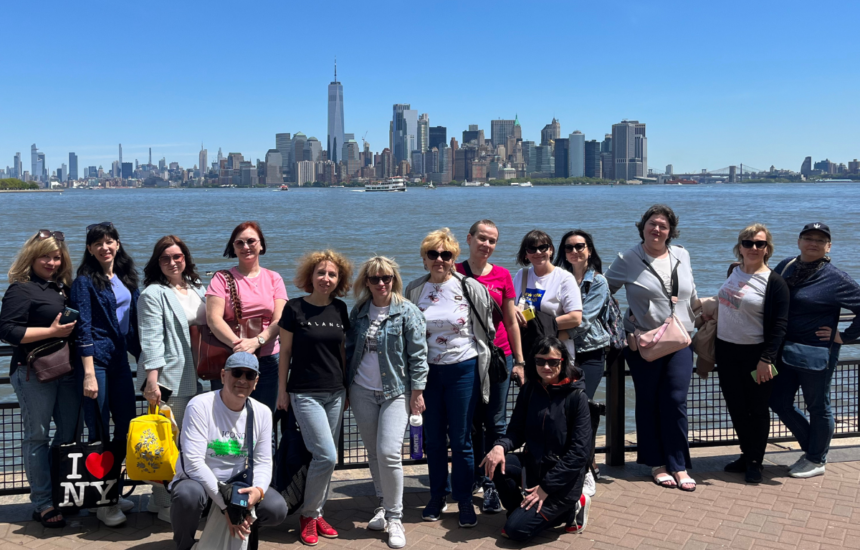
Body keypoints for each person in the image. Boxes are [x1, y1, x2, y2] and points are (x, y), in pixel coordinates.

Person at [404, 228, 495, 528]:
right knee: (432, 439)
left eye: (446, 254)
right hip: (427, 374)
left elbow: (486, 328)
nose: (439, 260)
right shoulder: (414, 290)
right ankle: (437, 496)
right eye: (433, 254)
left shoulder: (470, 287)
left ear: (455, 257)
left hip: (463, 369)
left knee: (461, 440)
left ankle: (465, 500)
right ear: (424, 258)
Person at [604, 205, 698, 491]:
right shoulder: (628, 258)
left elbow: (691, 294)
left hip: (680, 339)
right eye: (652, 224)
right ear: (642, 227)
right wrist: (622, 318)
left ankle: (679, 464)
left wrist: (706, 311)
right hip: (644, 342)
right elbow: (604, 290)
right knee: (648, 402)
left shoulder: (682, 254)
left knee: (675, 400)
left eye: (663, 226)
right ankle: (656, 463)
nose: (657, 230)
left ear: (670, 231)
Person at [345, 256, 428, 549]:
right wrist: (345, 389)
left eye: (387, 278)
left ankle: (395, 517)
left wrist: (418, 392)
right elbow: (349, 351)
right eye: (375, 278)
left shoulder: (408, 311)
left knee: (389, 452)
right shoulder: (359, 311)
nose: (382, 283)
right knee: (373, 452)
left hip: (396, 391)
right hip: (361, 390)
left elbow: (419, 356)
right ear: (366, 282)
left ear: (394, 279)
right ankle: (382, 504)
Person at [0, 230, 79, 529]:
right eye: (45, 256)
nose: (51, 262)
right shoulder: (20, 290)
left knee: (69, 435)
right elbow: (7, 331)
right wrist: (51, 332)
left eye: (57, 257)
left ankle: (62, 495)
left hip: (67, 371)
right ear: (31, 258)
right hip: (33, 372)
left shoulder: (62, 288)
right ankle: (43, 503)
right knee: (37, 437)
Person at [170, 352, 288, 550]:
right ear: (223, 376)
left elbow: (263, 461)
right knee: (186, 495)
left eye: (249, 375)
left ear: (256, 381)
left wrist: (257, 492)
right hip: (202, 485)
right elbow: (193, 463)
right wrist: (227, 506)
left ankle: (246, 531)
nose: (242, 380)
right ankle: (184, 545)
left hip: (239, 486)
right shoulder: (200, 406)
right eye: (237, 373)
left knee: (276, 508)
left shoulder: (262, 412)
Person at [769, 223, 860, 479]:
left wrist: (843, 336)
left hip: (817, 352)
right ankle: (813, 449)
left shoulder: (836, 278)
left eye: (820, 240)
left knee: (818, 406)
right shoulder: (787, 266)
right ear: (799, 241)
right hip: (784, 351)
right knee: (778, 401)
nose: (813, 243)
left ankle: (816, 458)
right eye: (808, 238)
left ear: (828, 246)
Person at [479, 336, 592, 542]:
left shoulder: (577, 397)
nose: (546, 366)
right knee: (493, 462)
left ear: (563, 361)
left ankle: (572, 507)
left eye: (553, 362)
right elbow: (516, 432)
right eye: (540, 361)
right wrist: (499, 447)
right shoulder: (530, 389)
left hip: (561, 482)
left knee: (516, 532)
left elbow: (579, 454)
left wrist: (546, 488)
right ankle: (519, 512)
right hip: (534, 469)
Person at [277, 250, 352, 545]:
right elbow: (284, 353)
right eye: (321, 272)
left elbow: (343, 353)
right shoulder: (294, 309)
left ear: (339, 279)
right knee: (327, 455)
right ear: (310, 276)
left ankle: (316, 511)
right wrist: (282, 391)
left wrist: (346, 388)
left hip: (335, 392)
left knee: (325, 458)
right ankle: (308, 514)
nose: (326, 278)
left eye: (332, 274)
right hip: (304, 393)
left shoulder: (341, 309)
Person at [70, 221, 141, 525]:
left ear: (118, 243)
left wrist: (150, 363)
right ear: (89, 249)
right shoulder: (85, 281)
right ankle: (102, 501)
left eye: (109, 241)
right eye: (98, 243)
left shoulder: (125, 278)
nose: (105, 247)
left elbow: (133, 327)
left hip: (119, 361)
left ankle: (110, 490)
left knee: (126, 425)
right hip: (95, 361)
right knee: (97, 431)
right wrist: (87, 372)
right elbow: (83, 327)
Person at [455, 219, 525, 514]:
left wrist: (519, 361)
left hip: (499, 356)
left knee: (496, 421)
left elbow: (510, 321)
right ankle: (473, 477)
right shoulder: (454, 271)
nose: (486, 245)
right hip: (465, 355)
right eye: (481, 238)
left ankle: (493, 483)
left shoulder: (503, 275)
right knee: (469, 422)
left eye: (492, 241)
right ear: (469, 239)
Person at [137, 235, 207, 521]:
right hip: (169, 379)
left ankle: (166, 500)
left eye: (177, 256)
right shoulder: (152, 294)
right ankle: (165, 504)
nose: (172, 262)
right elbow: (151, 340)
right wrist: (152, 382)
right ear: (157, 263)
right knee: (165, 444)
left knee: (188, 441)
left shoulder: (197, 288)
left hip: (198, 375)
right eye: (165, 258)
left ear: (186, 258)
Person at [714, 225, 790, 483]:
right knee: (736, 406)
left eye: (760, 244)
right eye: (748, 243)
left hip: (756, 354)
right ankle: (746, 454)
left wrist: (766, 358)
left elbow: (780, 325)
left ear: (767, 248)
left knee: (756, 409)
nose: (754, 248)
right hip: (726, 349)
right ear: (740, 247)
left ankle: (756, 461)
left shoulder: (775, 282)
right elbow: (727, 303)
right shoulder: (733, 270)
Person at [206, 221, 286, 413]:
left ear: (261, 245)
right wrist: (240, 345)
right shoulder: (221, 279)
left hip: (268, 360)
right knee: (224, 418)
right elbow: (213, 319)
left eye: (251, 241)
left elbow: (279, 320)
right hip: (230, 357)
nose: (246, 247)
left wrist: (257, 341)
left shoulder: (274, 278)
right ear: (233, 247)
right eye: (239, 243)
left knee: (265, 418)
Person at [554, 229, 610, 497]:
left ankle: (586, 466)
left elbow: (583, 320)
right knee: (562, 412)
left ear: (589, 250)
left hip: (589, 352)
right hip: (560, 353)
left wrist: (548, 332)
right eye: (568, 247)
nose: (574, 251)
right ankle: (569, 464)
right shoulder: (557, 278)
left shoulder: (598, 282)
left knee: (580, 411)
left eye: (580, 246)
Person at [512, 230, 583, 358]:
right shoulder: (521, 275)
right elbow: (510, 307)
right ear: (526, 254)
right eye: (532, 249)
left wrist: (535, 325)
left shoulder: (564, 278)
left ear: (550, 250)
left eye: (542, 248)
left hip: (555, 353)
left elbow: (575, 318)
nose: (538, 252)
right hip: (528, 351)